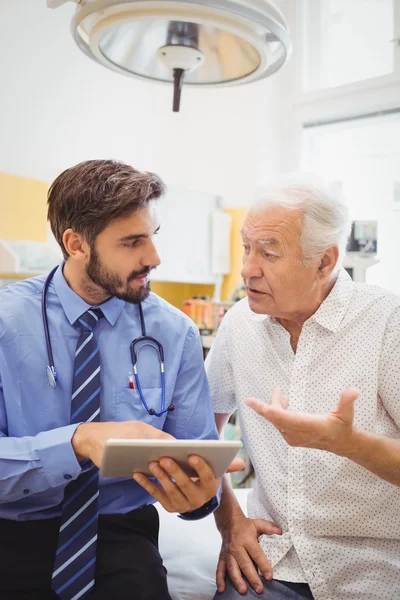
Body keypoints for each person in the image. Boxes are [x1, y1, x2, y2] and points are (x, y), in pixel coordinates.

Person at [0, 159, 241, 600]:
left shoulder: (174, 332)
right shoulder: (5, 321)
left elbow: (195, 457)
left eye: (152, 236)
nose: (153, 257)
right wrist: (76, 442)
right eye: (132, 242)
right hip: (12, 526)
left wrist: (199, 499)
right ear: (76, 244)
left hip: (120, 532)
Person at [206, 174, 400, 600]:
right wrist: (230, 519)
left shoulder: (388, 322)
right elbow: (201, 433)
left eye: (269, 252)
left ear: (325, 262)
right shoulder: (239, 324)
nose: (247, 268)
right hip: (269, 561)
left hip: (373, 568)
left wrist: (350, 444)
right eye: (246, 247)